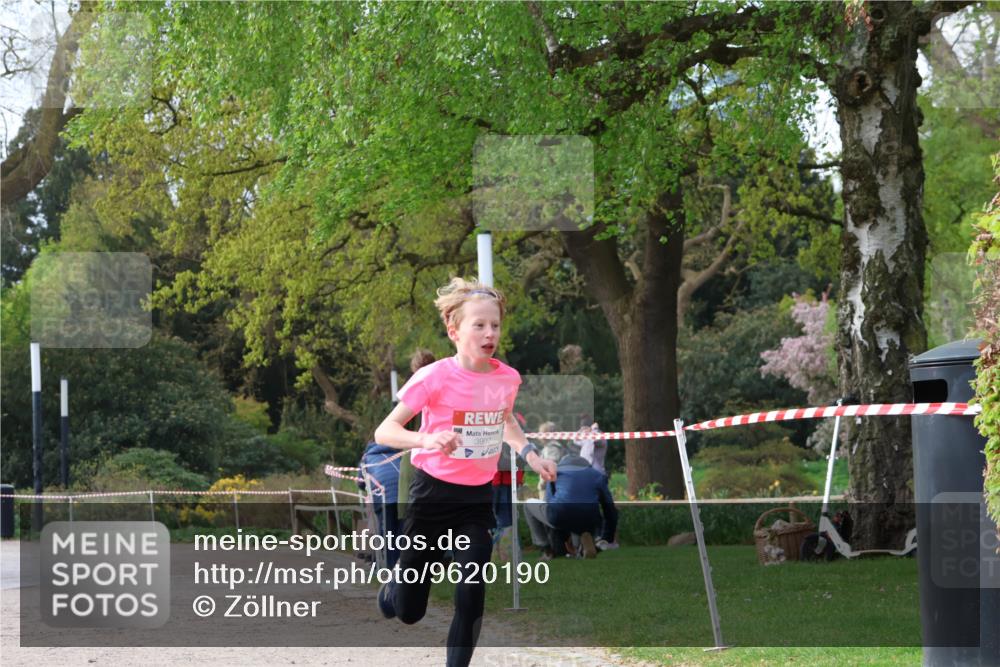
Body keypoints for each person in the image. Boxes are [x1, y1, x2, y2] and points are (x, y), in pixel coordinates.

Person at [372, 277, 557, 667]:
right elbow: (384, 431)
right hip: (431, 498)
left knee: (472, 592)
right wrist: (426, 440)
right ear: (454, 331)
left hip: (475, 500)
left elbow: (505, 422)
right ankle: (392, 591)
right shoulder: (434, 377)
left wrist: (531, 455)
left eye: (495, 325)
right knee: (409, 612)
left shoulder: (507, 378)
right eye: (479, 325)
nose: (490, 333)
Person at [523, 451, 619, 559]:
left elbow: (549, 502)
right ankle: (582, 548)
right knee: (581, 516)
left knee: (529, 504)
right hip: (590, 519)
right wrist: (606, 538)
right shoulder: (597, 475)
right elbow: (610, 509)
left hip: (560, 515)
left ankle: (546, 548)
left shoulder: (556, 471)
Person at [357, 440, 402, 568]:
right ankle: (403, 568)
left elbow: (360, 483)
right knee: (402, 532)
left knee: (387, 533)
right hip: (403, 496)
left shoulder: (367, 458)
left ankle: (389, 568)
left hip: (383, 497)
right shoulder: (398, 455)